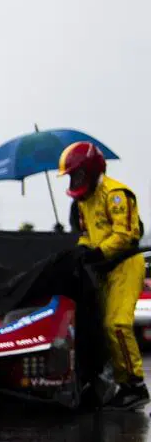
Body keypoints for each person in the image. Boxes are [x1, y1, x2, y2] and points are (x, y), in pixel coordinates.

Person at [61, 142, 146, 409]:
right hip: (103, 269)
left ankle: (135, 385)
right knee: (100, 326)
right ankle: (111, 382)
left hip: (125, 264)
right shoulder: (83, 202)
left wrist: (98, 252)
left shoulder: (116, 194)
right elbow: (86, 234)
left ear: (91, 170)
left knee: (117, 325)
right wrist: (81, 252)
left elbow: (127, 234)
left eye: (78, 175)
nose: (75, 181)